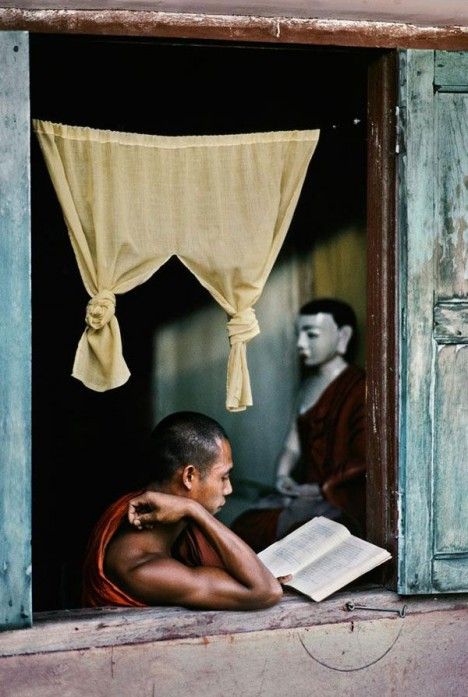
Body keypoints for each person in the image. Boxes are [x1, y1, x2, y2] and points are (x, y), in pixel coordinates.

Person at [82, 411, 287, 610]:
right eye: (223, 477)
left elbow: (253, 582)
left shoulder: (178, 531)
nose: (229, 489)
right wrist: (193, 509)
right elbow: (266, 591)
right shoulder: (139, 568)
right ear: (189, 476)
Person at [232, 298, 366, 552]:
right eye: (299, 334)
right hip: (305, 492)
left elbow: (363, 460)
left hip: (338, 496)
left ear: (343, 336)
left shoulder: (360, 387)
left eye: (311, 335)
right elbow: (293, 445)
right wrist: (283, 475)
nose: (300, 344)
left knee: (300, 536)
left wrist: (320, 488)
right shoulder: (306, 388)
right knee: (247, 524)